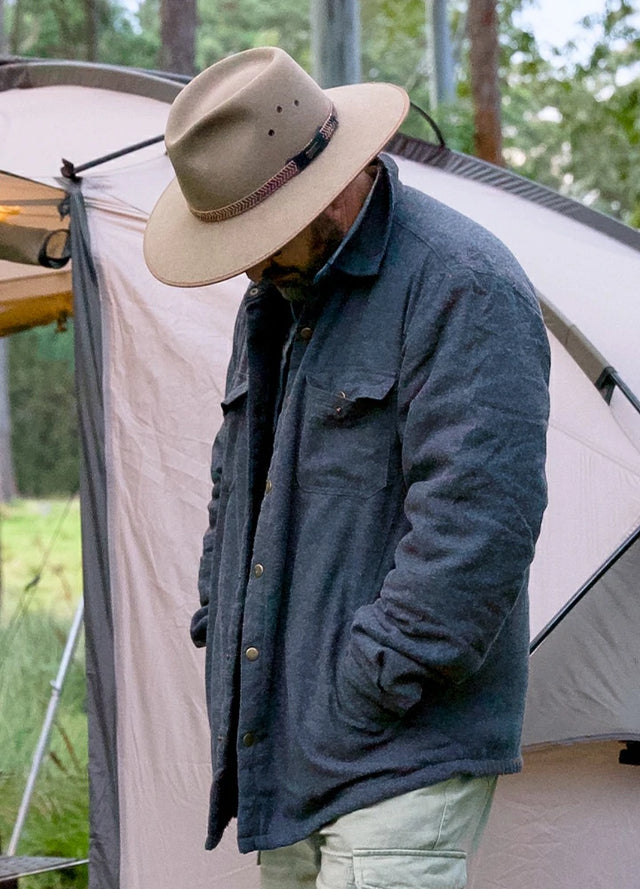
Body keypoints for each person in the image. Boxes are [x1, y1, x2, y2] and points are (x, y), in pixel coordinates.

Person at [144, 46, 550, 889]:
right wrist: (220, 620)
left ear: (331, 184)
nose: (249, 262)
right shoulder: (277, 297)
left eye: (260, 234)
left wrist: (365, 684)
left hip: (397, 750)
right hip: (285, 750)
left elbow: (480, 525)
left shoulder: (462, 285)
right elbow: (235, 480)